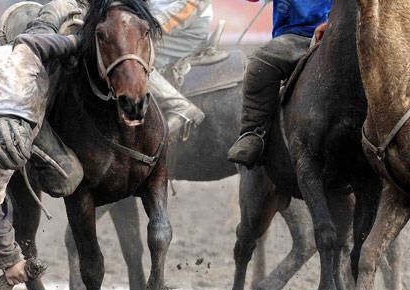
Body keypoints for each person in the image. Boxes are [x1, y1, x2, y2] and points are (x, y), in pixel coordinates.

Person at [0, 33, 80, 285]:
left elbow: (33, 42)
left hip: (11, 72)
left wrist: (75, 41)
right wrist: (9, 259)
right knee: (66, 179)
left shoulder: (25, 60)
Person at [26, 0, 207, 141]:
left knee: (131, 56)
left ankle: (180, 106)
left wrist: (142, 26)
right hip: (148, 21)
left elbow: (188, 6)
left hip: (182, 28)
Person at [227, 0, 332, 167]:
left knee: (261, 61)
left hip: (330, 35)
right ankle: (254, 133)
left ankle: (253, 132)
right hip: (294, 39)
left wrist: (331, 24)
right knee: (260, 65)